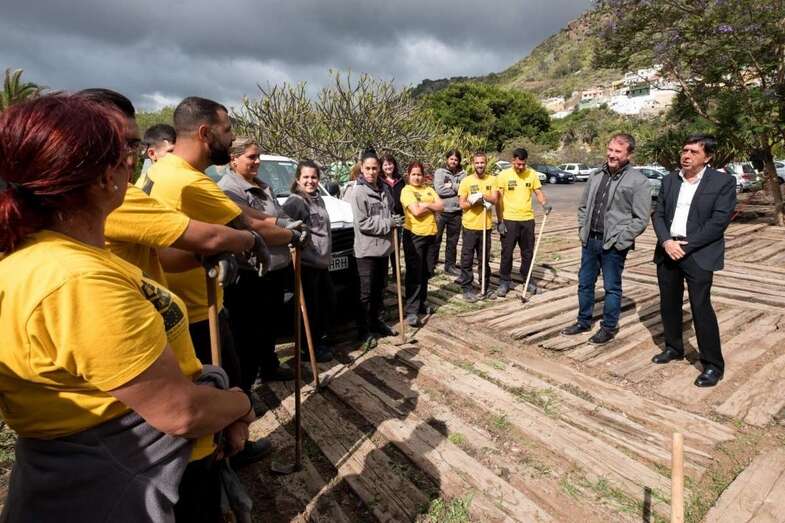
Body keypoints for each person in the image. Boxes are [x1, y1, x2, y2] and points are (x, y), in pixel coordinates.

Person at [0, 94, 254, 522]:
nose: (136, 161)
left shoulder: (59, 256)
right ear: (103, 177)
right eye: (128, 150)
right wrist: (239, 404)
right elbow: (180, 411)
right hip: (125, 485)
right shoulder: (75, 281)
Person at [142, 96, 302, 465]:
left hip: (172, 303)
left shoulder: (160, 169)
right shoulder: (189, 181)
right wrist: (292, 235)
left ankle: (225, 453)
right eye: (227, 130)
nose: (231, 139)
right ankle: (227, 458)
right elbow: (248, 224)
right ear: (204, 132)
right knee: (226, 388)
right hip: (195, 311)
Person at [79, 89, 262, 289]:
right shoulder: (117, 197)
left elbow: (161, 257)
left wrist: (200, 256)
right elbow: (213, 236)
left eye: (133, 145)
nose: (130, 160)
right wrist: (250, 239)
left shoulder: (126, 190)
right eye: (116, 144)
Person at [651, 134, 736, 387]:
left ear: (707, 157)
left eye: (693, 152)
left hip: (698, 252)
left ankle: (712, 364)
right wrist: (667, 241)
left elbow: (718, 222)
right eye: (684, 150)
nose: (686, 156)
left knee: (701, 307)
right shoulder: (668, 181)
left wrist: (685, 247)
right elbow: (658, 214)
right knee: (669, 302)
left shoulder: (723, 182)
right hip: (668, 249)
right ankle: (674, 347)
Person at [218, 137, 299, 392]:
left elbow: (279, 215)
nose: (257, 162)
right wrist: (291, 234)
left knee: (269, 326)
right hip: (251, 272)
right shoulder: (228, 190)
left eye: (257, 157)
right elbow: (258, 230)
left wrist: (290, 224)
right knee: (248, 334)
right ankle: (245, 390)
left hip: (276, 268)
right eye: (251, 157)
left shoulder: (263, 186)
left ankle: (269, 366)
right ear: (234, 159)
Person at [561, 133, 651, 344]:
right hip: (590, 240)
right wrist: (582, 230)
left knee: (611, 286)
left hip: (613, 244)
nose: (611, 155)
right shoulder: (595, 175)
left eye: (617, 151)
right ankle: (583, 321)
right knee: (584, 283)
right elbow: (583, 207)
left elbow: (641, 218)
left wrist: (621, 240)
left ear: (629, 154)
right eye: (610, 149)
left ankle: (609, 327)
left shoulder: (638, 181)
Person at [283, 160, 337, 359]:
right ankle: (308, 348)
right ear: (298, 179)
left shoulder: (318, 199)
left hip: (321, 263)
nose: (310, 181)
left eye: (314, 177)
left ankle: (318, 341)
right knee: (311, 309)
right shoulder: (296, 201)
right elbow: (285, 228)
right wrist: (296, 237)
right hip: (306, 265)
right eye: (306, 177)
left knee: (327, 303)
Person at [350, 149, 402, 344]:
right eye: (368, 168)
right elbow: (363, 224)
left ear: (379, 169)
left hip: (384, 248)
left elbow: (388, 212)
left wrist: (393, 218)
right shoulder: (358, 192)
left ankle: (376, 322)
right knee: (366, 292)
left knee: (380, 288)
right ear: (361, 168)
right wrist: (389, 223)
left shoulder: (385, 189)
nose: (371, 172)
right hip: (366, 251)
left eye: (374, 168)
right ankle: (363, 331)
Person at [495, 148, 552, 298]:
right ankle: (504, 281)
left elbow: (538, 192)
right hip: (509, 220)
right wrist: (499, 221)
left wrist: (544, 203)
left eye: (523, 164)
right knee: (507, 252)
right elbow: (498, 200)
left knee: (528, 252)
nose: (521, 167)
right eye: (518, 164)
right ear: (513, 160)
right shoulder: (503, 175)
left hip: (527, 220)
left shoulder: (531, 174)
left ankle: (528, 278)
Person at [400, 161, 443, 326]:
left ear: (424, 176)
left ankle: (421, 303)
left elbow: (442, 206)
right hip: (414, 235)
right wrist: (431, 206)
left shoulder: (429, 189)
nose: (417, 177)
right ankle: (411, 310)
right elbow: (416, 212)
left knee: (426, 271)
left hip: (431, 234)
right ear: (409, 175)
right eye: (414, 174)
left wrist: (425, 204)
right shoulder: (406, 191)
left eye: (419, 174)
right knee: (414, 273)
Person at [457, 151, 498, 302]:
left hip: (485, 227)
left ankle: (485, 287)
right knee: (467, 259)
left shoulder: (493, 180)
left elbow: (494, 199)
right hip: (469, 227)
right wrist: (472, 201)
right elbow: (462, 204)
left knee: (484, 259)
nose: (480, 165)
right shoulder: (466, 181)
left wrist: (482, 196)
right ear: (473, 164)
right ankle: (467, 288)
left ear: (486, 163)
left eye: (482, 162)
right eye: (477, 163)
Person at [433, 149, 466, 276]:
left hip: (456, 212)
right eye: (451, 159)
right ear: (447, 159)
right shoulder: (440, 172)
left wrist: (451, 185)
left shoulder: (463, 174)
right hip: (441, 211)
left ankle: (450, 265)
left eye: (456, 159)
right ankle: (432, 264)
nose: (453, 161)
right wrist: (457, 189)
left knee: (453, 241)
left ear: (459, 161)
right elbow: (440, 190)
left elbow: (464, 190)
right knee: (436, 239)